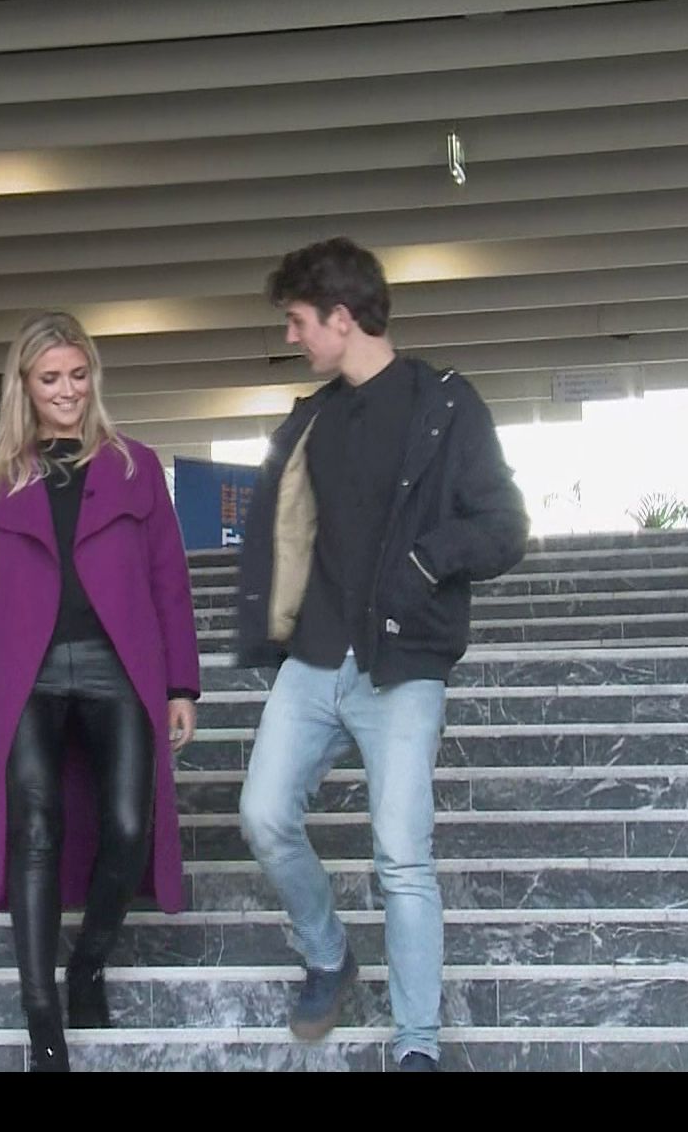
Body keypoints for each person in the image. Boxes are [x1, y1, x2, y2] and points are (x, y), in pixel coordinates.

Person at [235, 238, 530, 1072]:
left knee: (402, 857)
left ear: (341, 317)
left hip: (401, 668)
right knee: (262, 816)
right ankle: (328, 954)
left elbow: (505, 525)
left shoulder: (445, 404)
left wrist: (428, 560)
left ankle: (416, 1044)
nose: (291, 336)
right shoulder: (310, 419)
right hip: (313, 659)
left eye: (299, 321)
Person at [0, 311, 203, 1072]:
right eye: (50, 378)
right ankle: (42, 1022)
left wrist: (181, 684)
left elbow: (169, 579)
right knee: (33, 831)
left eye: (79, 375)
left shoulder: (136, 467)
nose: (67, 391)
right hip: (20, 675)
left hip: (117, 667)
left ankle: (88, 961)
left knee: (129, 823)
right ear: (25, 385)